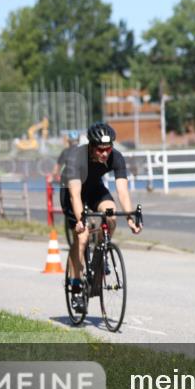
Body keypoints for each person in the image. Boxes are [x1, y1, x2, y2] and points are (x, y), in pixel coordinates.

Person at [61, 122, 141, 312]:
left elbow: (122, 191)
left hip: (94, 189)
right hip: (72, 191)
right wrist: (81, 220)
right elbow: (75, 194)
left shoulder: (116, 157)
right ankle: (77, 285)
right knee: (81, 237)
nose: (105, 153)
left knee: (110, 214)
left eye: (108, 149)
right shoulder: (76, 158)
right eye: (100, 150)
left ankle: (101, 251)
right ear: (91, 146)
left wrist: (130, 217)